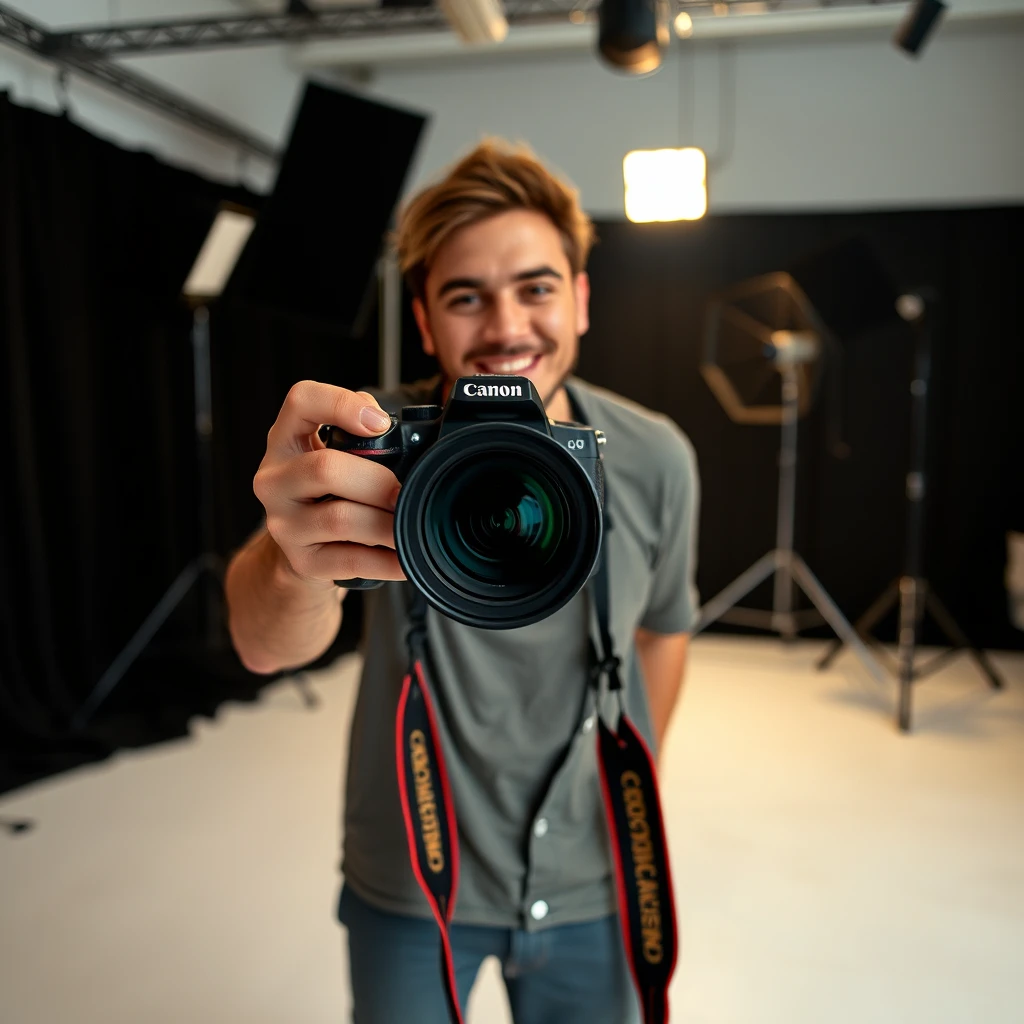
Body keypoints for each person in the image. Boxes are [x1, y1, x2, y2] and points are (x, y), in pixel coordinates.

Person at [224, 139, 700, 1024]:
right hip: (414, 859)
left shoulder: (654, 457)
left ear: (583, 299)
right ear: (425, 319)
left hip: (601, 857)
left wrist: (644, 765)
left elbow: (664, 629)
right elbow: (262, 643)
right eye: (465, 296)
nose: (506, 324)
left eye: (537, 286)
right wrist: (294, 557)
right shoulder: (371, 449)